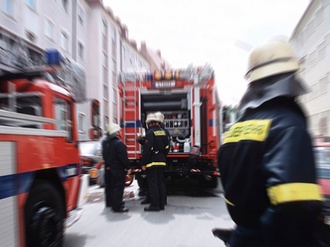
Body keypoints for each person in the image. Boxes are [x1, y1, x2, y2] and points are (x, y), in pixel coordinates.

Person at [213, 38, 324, 246]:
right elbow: (294, 204)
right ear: (291, 78)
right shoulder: (288, 126)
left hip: (242, 234)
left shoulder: (235, 130)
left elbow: (233, 185)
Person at [140, 113, 170, 211]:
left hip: (152, 161)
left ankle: (154, 206)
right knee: (160, 182)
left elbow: (147, 149)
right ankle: (161, 205)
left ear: (149, 123)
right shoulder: (164, 132)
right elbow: (167, 147)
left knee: (153, 184)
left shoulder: (150, 133)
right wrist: (162, 156)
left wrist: (143, 163)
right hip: (162, 160)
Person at [102, 123, 131, 213]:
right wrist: (128, 167)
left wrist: (108, 166)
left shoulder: (105, 142)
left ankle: (110, 203)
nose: (121, 132)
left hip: (108, 168)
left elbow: (104, 155)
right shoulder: (119, 143)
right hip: (118, 169)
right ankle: (117, 206)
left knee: (110, 186)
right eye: (120, 131)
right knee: (118, 187)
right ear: (116, 132)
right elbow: (123, 158)